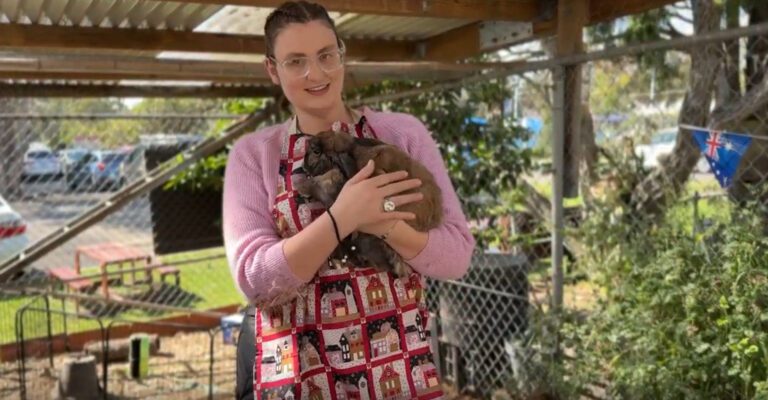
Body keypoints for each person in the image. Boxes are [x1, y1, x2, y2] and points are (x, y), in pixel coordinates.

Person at [222, 1, 475, 398]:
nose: (315, 73)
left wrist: (387, 224)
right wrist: (341, 219)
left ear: (342, 52)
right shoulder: (255, 154)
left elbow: (457, 255)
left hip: (395, 367)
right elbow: (254, 279)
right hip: (299, 376)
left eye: (326, 55)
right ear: (272, 69)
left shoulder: (402, 135)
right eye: (295, 61)